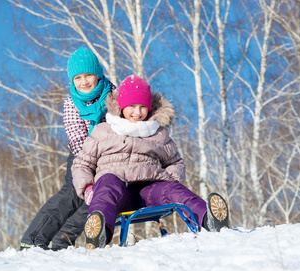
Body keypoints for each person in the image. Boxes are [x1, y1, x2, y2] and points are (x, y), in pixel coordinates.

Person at [71, 74, 229, 249]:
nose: (137, 112)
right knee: (107, 184)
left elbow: (175, 162)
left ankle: (209, 219)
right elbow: (81, 165)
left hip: (149, 191)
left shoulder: (157, 133)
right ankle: (99, 234)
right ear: (121, 106)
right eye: (131, 106)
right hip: (116, 193)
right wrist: (87, 188)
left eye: (142, 107)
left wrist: (171, 179)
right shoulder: (103, 131)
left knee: (173, 190)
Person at [20, 46, 116, 250]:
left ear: (98, 75)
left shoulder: (113, 96)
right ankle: (34, 239)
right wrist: (91, 163)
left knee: (94, 199)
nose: (84, 82)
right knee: (73, 193)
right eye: (78, 78)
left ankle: (63, 240)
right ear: (72, 81)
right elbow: (77, 136)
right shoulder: (71, 103)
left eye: (88, 75)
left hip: (112, 157)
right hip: (82, 155)